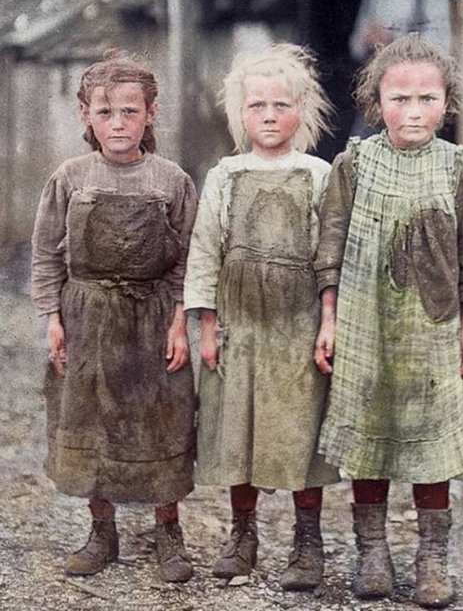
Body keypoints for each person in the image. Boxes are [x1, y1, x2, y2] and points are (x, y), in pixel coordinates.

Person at [314, 34, 463, 608]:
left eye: (426, 99)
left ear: (447, 103)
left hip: (431, 329)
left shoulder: (457, 167)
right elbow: (329, 247)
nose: (413, 111)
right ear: (376, 103)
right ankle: (372, 552)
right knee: (368, 435)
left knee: (430, 441)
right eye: (399, 99)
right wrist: (329, 318)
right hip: (365, 324)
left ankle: (431, 557)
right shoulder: (354, 163)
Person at [31, 52, 198, 583]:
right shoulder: (70, 177)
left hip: (152, 318)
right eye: (105, 113)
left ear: (150, 114)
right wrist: (53, 317)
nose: (118, 123)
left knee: (161, 421)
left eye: (130, 111)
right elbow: (46, 254)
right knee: (91, 421)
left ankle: (168, 532)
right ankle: (102, 532)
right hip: (88, 317)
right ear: (86, 115)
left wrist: (179, 322)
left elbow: (188, 259)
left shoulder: (171, 180)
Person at [184, 44, 340, 591]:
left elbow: (330, 255)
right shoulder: (224, 176)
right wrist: (207, 325)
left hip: (297, 328)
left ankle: (308, 540)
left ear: (303, 110)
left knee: (300, 430)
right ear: (239, 113)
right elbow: (205, 251)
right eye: (257, 106)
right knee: (239, 429)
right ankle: (242, 535)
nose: (269, 115)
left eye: (281, 104)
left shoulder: (319, 175)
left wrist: (328, 320)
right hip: (240, 327)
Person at [349, 0, 452, 138]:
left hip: (418, 91)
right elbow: (355, 46)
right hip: (380, 90)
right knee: (363, 147)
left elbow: (442, 44)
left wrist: (393, 43)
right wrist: (367, 39)